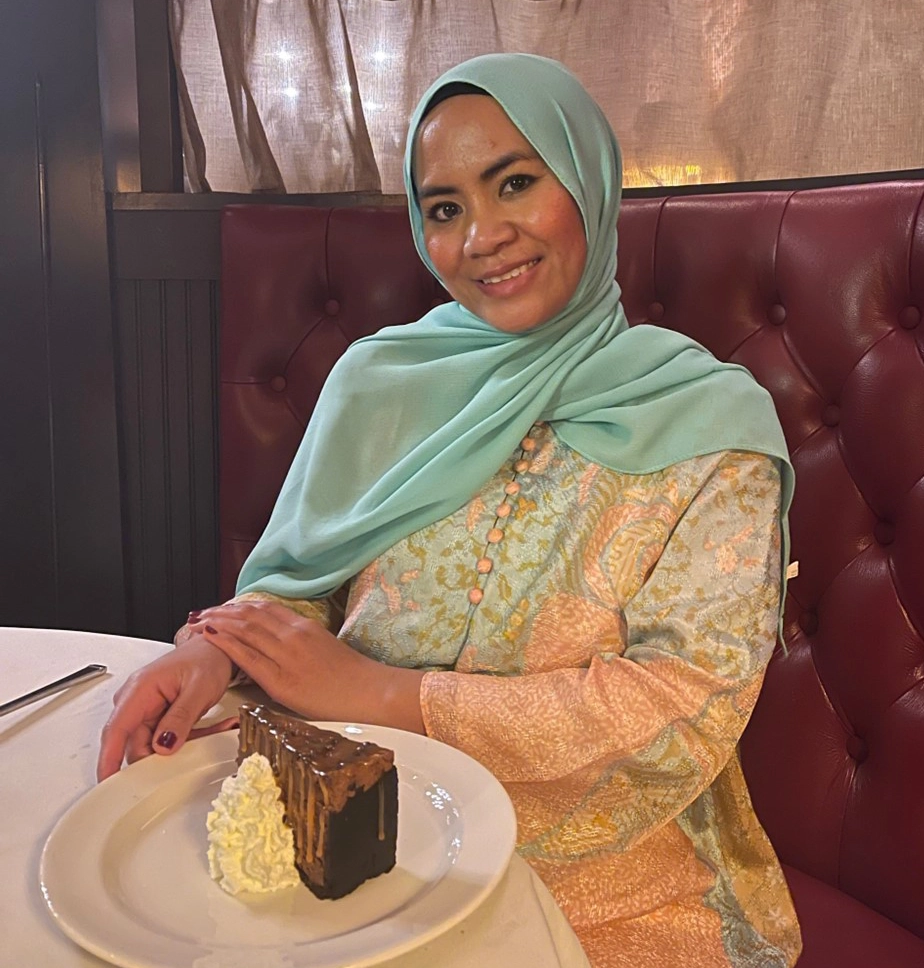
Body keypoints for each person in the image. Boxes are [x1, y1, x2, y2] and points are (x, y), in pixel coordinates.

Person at [98, 53, 801, 968]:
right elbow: (302, 587)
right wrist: (213, 649)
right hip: (349, 838)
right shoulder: (381, 382)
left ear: (587, 182)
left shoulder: (712, 425)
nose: (482, 237)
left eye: (515, 183)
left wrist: (386, 695)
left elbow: (687, 708)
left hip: (610, 888)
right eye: (444, 208)